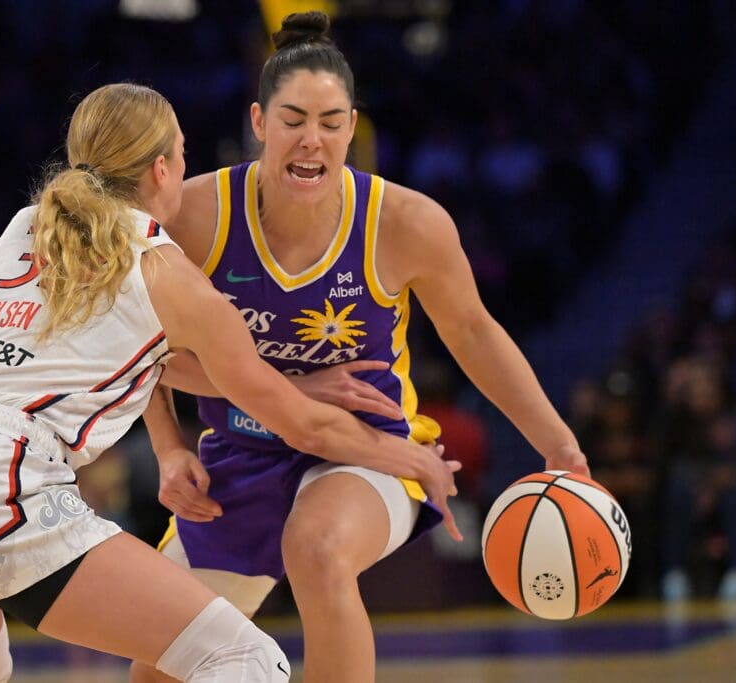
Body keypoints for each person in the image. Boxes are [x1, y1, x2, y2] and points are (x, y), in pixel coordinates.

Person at [0, 82, 464, 683]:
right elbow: (299, 424)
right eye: (185, 154)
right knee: (245, 660)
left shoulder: (26, 228)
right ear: (164, 170)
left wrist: (228, 420)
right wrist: (408, 457)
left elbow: (132, 360)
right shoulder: (166, 270)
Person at [130, 12, 590, 683]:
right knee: (156, 672)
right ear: (259, 122)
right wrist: (171, 449)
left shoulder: (407, 224)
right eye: (293, 119)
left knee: (316, 548)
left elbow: (475, 333)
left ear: (353, 126)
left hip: (368, 446)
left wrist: (559, 444)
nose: (311, 140)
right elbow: (145, 353)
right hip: (239, 452)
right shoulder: (197, 216)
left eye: (330, 121)